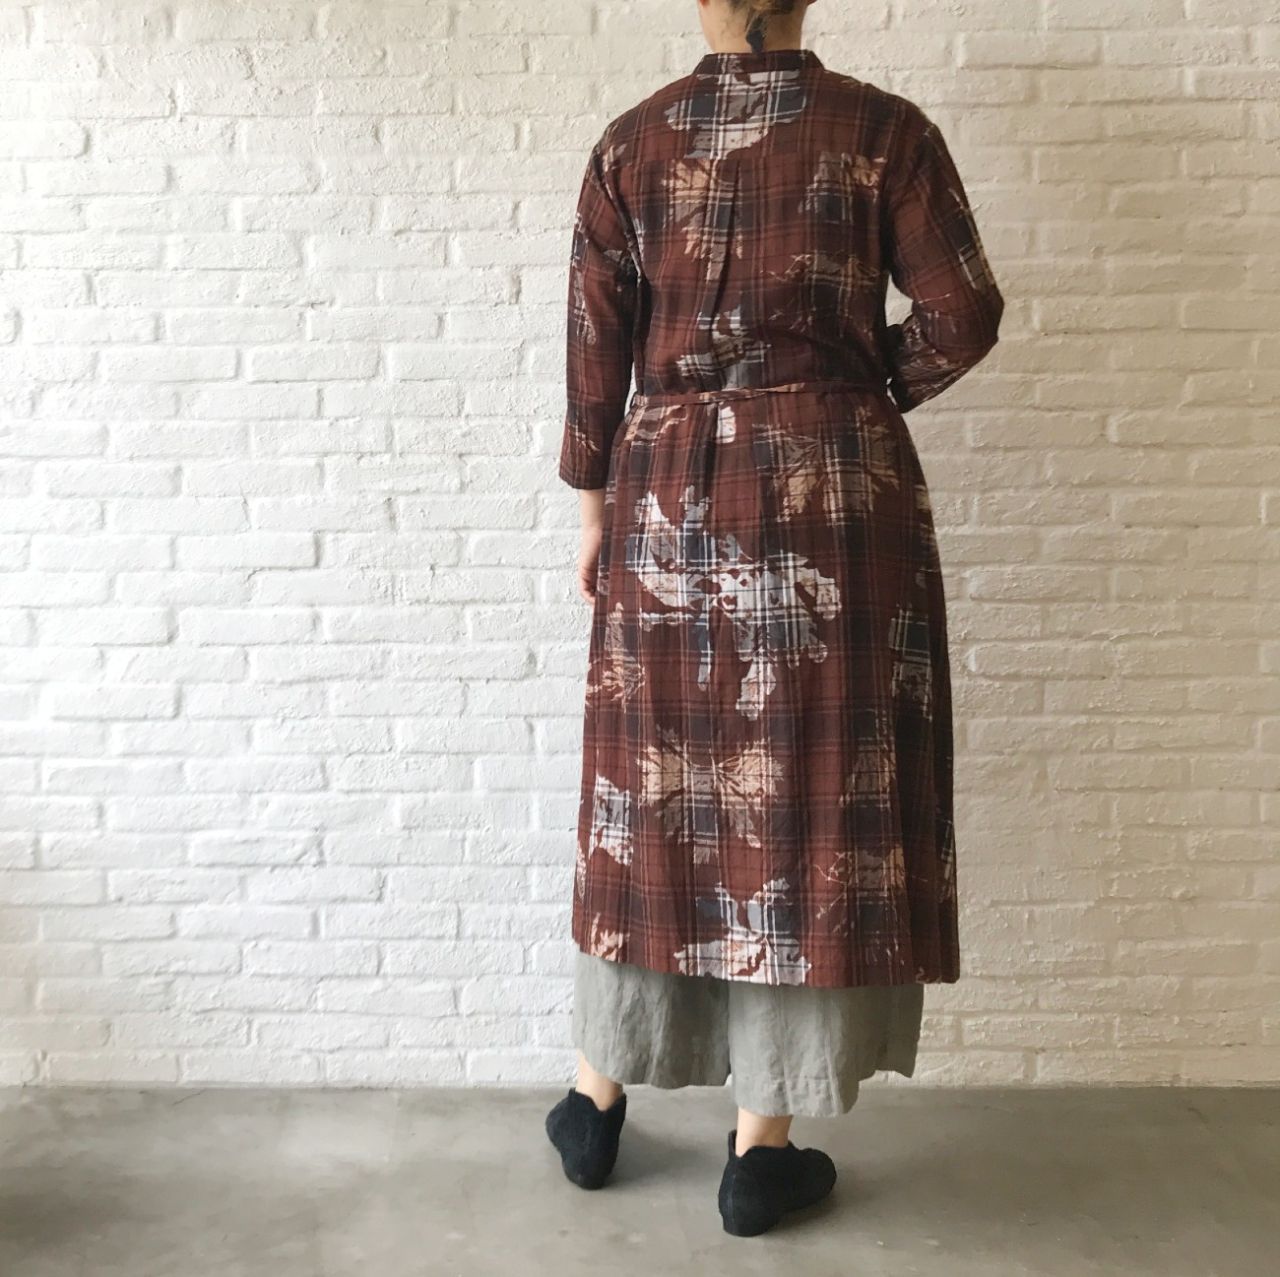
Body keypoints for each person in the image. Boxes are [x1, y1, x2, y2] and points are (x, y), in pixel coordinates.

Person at [544, 0, 1004, 1237]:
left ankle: (594, 1098)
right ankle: (761, 1147)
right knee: (808, 806)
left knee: (649, 795)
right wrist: (854, 387)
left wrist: (594, 509)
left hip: (662, 498)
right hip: (831, 500)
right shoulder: (884, 134)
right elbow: (962, 314)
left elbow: (593, 360)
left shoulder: (630, 145)